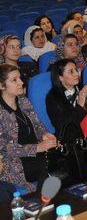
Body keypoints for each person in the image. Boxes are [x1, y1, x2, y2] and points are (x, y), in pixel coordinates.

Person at [0, 64, 57, 193]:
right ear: (2, 86)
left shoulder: (23, 101)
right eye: (14, 80)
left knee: (63, 165)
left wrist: (44, 135)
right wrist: (37, 148)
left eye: (19, 78)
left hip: (36, 154)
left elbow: (37, 125)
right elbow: (4, 148)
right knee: (50, 175)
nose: (21, 82)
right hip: (15, 162)